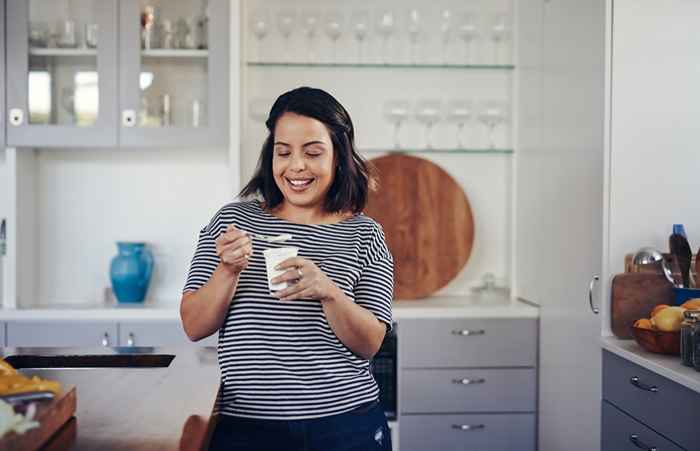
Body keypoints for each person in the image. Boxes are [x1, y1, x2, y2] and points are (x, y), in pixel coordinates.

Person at [180, 86, 394, 451]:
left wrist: (328, 291)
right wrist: (228, 272)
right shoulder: (233, 221)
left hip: (345, 426)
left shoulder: (364, 234)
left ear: (338, 157)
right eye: (283, 152)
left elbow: (370, 343)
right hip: (247, 427)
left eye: (312, 153)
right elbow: (194, 326)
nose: (296, 166)